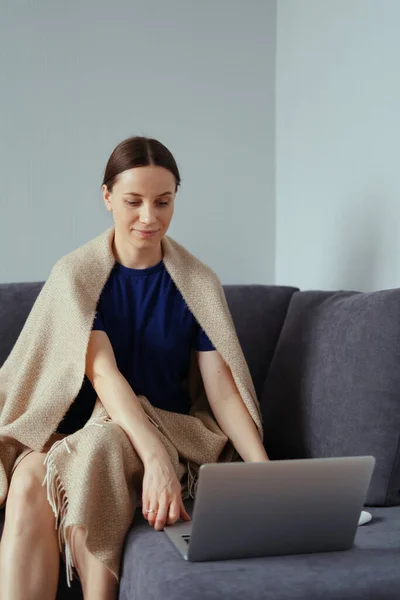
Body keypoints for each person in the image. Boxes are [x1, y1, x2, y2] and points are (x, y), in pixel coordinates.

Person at [0, 136, 269, 600]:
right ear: (107, 198)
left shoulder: (197, 282)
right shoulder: (78, 276)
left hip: (166, 428)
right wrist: (154, 459)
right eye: (133, 201)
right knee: (28, 482)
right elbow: (105, 377)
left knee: (102, 445)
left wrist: (266, 474)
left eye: (163, 202)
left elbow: (222, 391)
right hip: (75, 430)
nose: (149, 217)